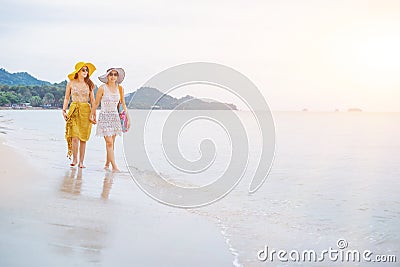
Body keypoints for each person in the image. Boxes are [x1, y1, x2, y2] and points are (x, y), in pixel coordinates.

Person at [90, 68, 130, 172]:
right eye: (111, 74)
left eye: (115, 75)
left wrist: (127, 119)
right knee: (109, 143)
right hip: (104, 117)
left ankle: (107, 164)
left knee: (112, 142)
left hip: (115, 117)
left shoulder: (120, 89)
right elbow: (96, 103)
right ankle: (115, 167)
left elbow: (123, 104)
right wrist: (92, 114)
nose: (113, 76)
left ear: (117, 77)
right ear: (107, 76)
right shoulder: (102, 88)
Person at [62, 61, 96, 168]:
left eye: (87, 70)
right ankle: (75, 159)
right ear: (78, 71)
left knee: (83, 137)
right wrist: (64, 110)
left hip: (86, 111)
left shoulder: (89, 84)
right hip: (74, 110)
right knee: (74, 137)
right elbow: (67, 97)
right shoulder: (71, 83)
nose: (85, 72)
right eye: (83, 70)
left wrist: (93, 114)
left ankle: (81, 161)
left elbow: (92, 100)